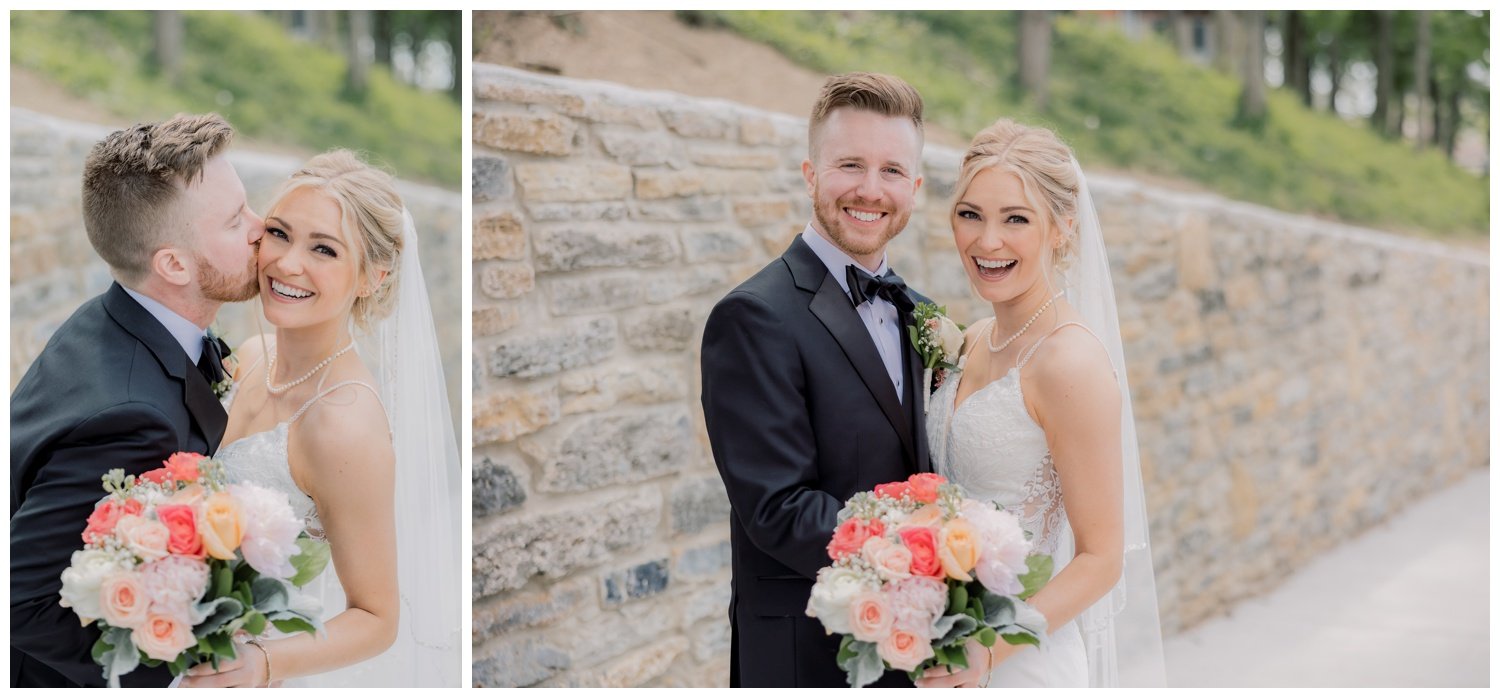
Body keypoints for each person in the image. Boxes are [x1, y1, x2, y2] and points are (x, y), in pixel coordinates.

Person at [177, 150, 460, 688]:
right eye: (279, 234)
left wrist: (262, 663)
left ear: (370, 278)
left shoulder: (342, 425)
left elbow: (377, 619)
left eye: (324, 249)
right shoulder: (252, 356)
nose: (286, 263)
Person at [11, 114, 262, 687]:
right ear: (173, 264)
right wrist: (175, 668)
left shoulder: (116, 319)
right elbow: (19, 601)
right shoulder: (132, 418)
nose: (261, 227)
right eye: (234, 221)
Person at [700, 72, 934, 688]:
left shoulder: (921, 312)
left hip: (916, 648)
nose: (869, 189)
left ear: (915, 187)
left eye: (890, 171)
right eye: (849, 164)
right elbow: (778, 508)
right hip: (809, 653)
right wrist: (936, 554)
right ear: (811, 174)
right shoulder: (753, 316)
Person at [917, 119, 1166, 687]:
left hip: (1021, 663)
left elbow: (1101, 560)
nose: (987, 241)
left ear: (1062, 229)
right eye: (970, 214)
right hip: (945, 653)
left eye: (1016, 220)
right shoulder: (974, 338)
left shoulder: (1068, 361)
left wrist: (988, 652)